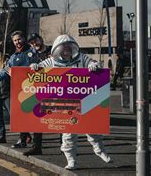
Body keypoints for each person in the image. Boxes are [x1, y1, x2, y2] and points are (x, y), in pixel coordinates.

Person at [30, 34, 112, 170]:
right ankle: (71, 160)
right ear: (58, 49)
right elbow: (39, 67)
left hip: (84, 100)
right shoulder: (51, 61)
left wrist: (93, 65)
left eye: (69, 47)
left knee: (92, 129)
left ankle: (99, 150)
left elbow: (93, 63)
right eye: (63, 47)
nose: (66, 49)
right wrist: (34, 66)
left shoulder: (82, 58)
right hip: (64, 103)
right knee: (68, 134)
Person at [0, 30, 39, 148]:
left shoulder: (33, 52)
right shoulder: (14, 57)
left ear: (23, 38)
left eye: (19, 39)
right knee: (20, 116)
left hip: (35, 90)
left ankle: (36, 143)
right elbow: (4, 72)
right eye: (15, 40)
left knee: (35, 116)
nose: (17, 42)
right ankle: (23, 140)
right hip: (19, 91)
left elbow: (43, 65)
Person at [22, 33, 51, 156]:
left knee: (60, 116)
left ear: (41, 39)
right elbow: (25, 70)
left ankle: (63, 146)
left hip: (55, 89)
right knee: (37, 118)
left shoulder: (52, 50)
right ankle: (36, 147)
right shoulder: (31, 54)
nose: (35, 44)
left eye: (36, 41)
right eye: (32, 43)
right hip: (38, 90)